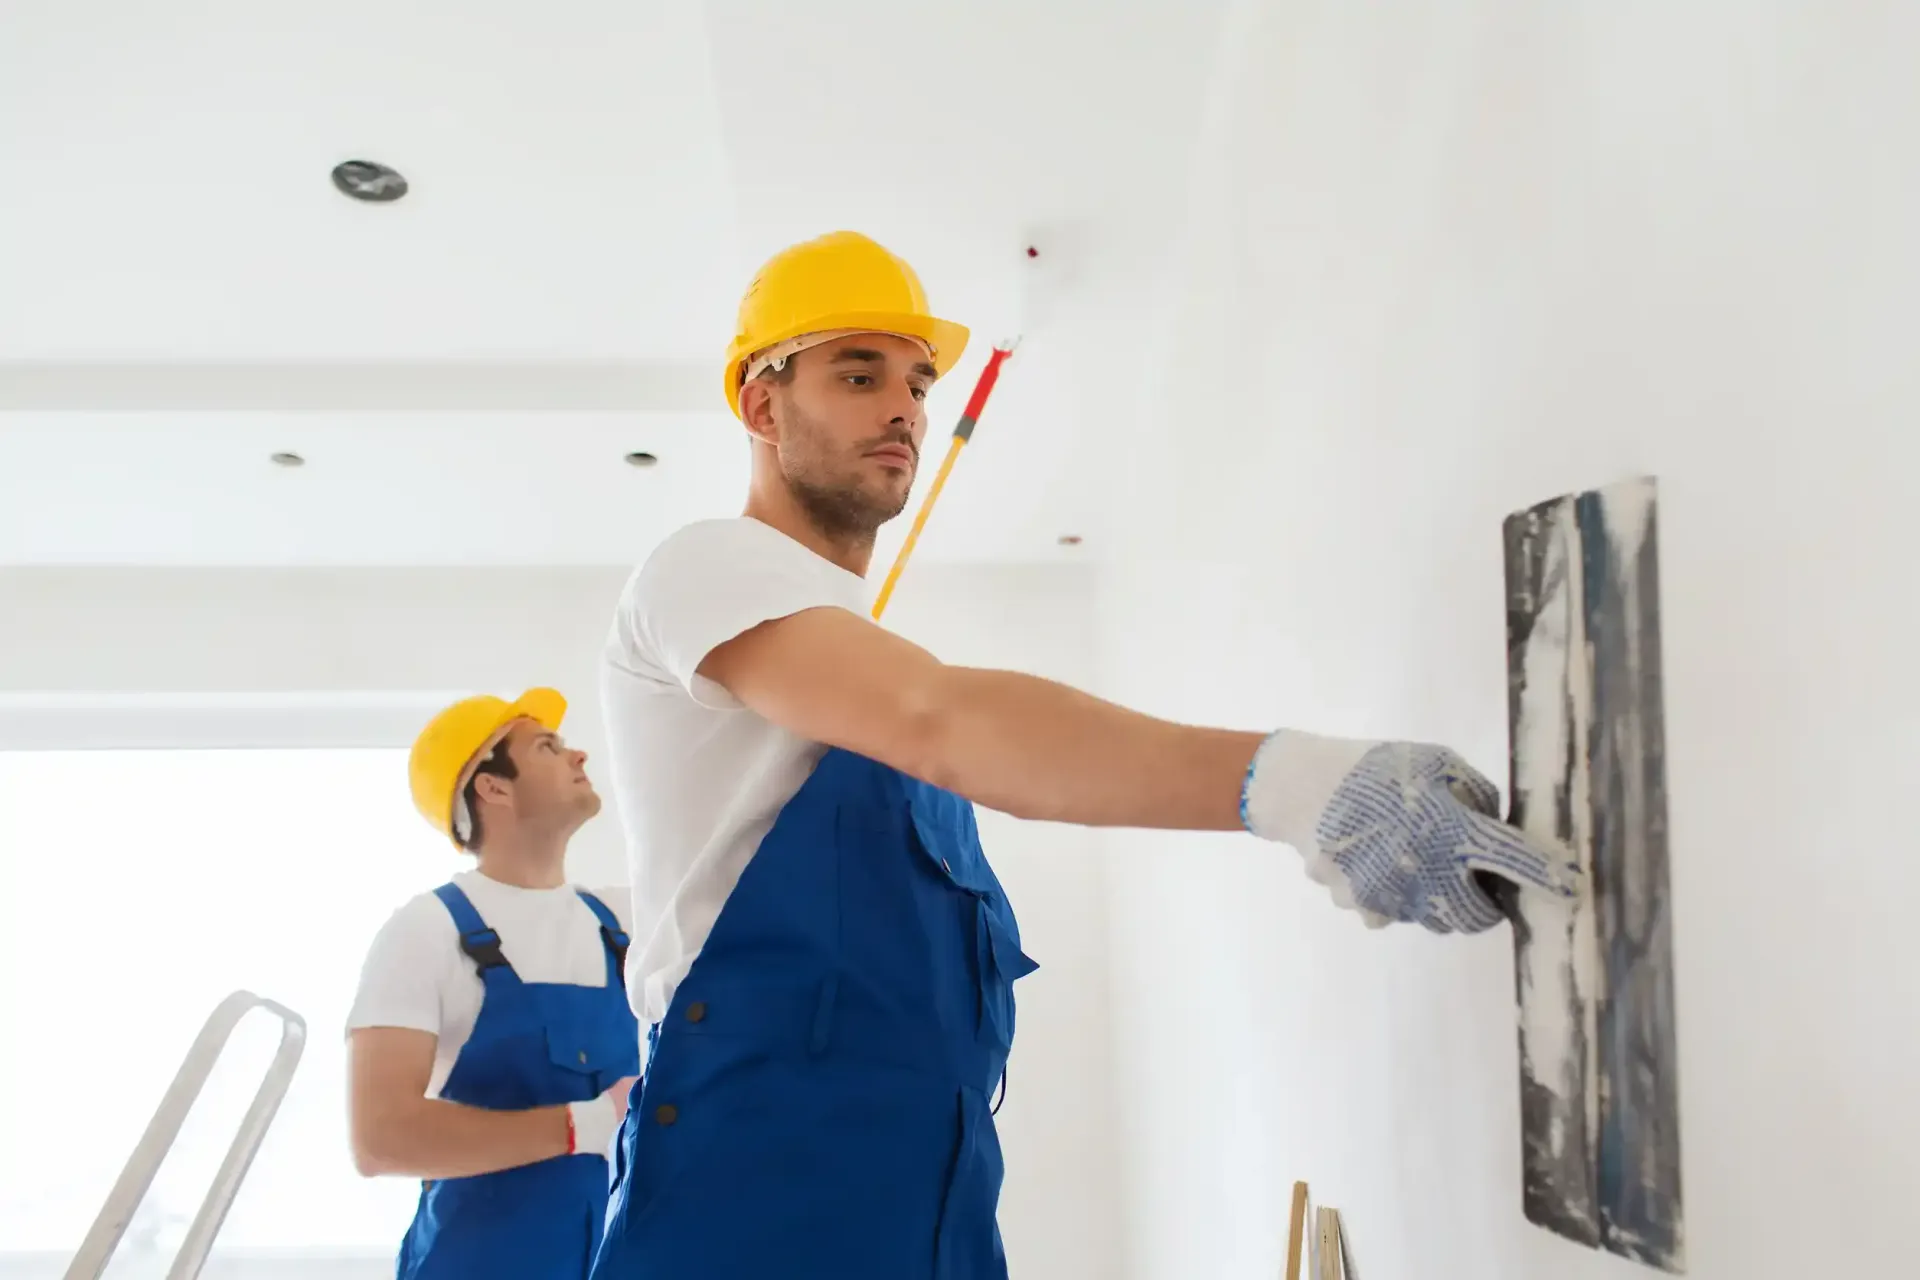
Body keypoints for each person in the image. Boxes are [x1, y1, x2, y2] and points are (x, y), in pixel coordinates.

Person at [589, 230, 1580, 1278]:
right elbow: (942, 718)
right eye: (858, 372)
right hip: (753, 1176)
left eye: (919, 382)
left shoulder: (853, 669)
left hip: (930, 1185)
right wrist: (1299, 783)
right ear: (760, 404)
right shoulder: (706, 569)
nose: (905, 409)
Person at [345, 688, 641, 1279]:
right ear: (493, 787)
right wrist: (591, 1123)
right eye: (548, 747)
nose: (579, 756)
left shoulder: (628, 924)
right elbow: (380, 1138)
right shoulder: (426, 931)